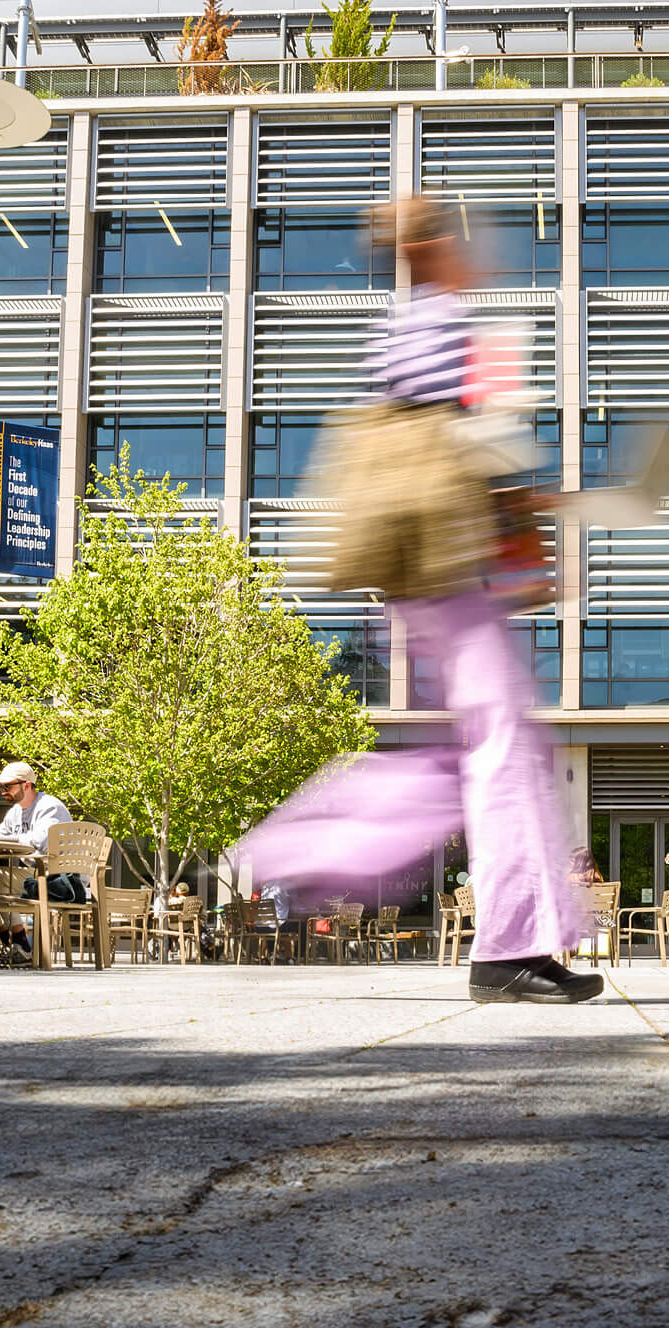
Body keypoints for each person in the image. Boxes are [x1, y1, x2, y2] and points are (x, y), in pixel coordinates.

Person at [228, 196, 595, 1006]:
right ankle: (498, 946)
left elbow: (456, 451)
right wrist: (528, 546)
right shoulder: (440, 323)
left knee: (494, 749)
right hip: (447, 569)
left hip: (432, 572)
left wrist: (529, 522)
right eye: (462, 238)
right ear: (431, 247)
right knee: (500, 750)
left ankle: (510, 937)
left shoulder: (411, 323)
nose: (476, 252)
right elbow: (478, 449)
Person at [0, 761, 73, 967]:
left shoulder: (49, 807)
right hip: (36, 874)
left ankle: (21, 948)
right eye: (1, 787)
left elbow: (39, 841)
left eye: (8, 786)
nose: (3, 791)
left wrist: (1, 840)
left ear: (27, 785)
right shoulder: (16, 812)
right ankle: (13, 947)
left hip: (60, 879)